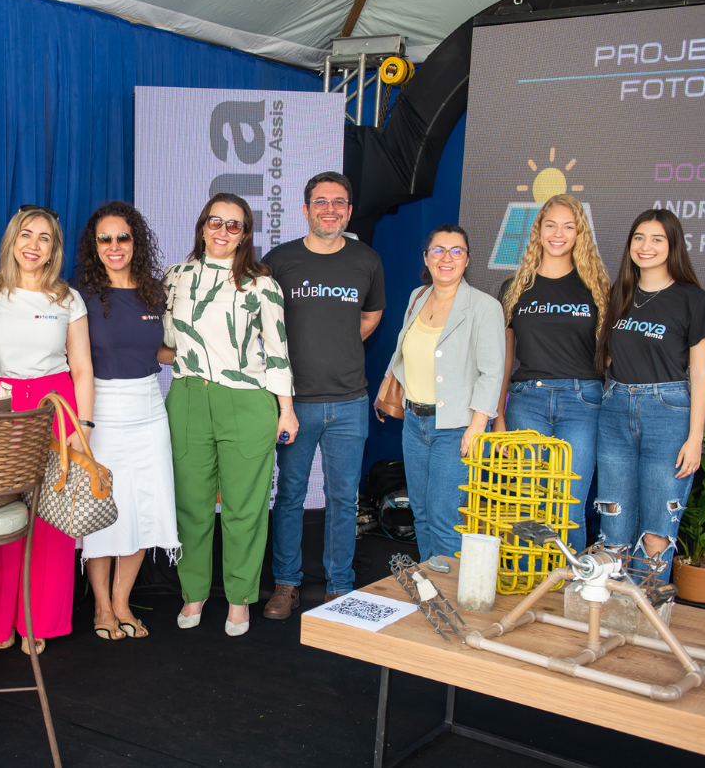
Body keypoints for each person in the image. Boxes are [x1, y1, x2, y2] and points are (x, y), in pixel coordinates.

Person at [163, 193, 296, 637]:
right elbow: (167, 342)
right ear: (202, 226)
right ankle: (194, 592)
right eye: (215, 222)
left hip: (246, 401)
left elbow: (277, 352)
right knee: (191, 505)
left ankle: (239, 599)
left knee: (244, 508)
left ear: (245, 235)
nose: (222, 231)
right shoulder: (175, 277)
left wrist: (286, 410)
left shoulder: (262, 284)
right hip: (187, 398)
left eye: (233, 225)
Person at [0, 205, 94, 655]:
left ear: (53, 248)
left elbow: (82, 367)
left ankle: (37, 621)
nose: (33, 245)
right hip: (1, 408)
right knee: (1, 514)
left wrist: (84, 425)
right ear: (12, 240)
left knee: (49, 518)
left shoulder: (68, 298)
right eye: (26, 234)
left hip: (54, 406)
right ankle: (0, 617)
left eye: (44, 238)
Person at [262, 172, 385, 618]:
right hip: (294, 404)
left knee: (342, 500)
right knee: (289, 497)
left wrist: (339, 344)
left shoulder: (366, 260)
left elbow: (371, 316)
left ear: (349, 211)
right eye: (320, 202)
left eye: (338, 202)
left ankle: (339, 588)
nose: (329, 210)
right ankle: (286, 584)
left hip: (350, 402)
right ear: (305, 209)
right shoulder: (280, 261)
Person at [71, 202, 180, 641]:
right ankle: (101, 606)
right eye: (105, 238)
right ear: (93, 245)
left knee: (144, 507)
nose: (114, 246)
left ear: (136, 242)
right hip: (100, 410)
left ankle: (122, 602)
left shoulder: (154, 291)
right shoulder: (78, 295)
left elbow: (158, 351)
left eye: (123, 237)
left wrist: (207, 353)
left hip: (150, 409)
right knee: (103, 509)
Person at [594, 209, 705, 585]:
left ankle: (644, 613)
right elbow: (609, 355)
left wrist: (695, 438)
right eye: (639, 238)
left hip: (668, 414)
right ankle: (607, 609)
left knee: (656, 534)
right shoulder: (620, 293)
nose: (646, 246)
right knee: (614, 531)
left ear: (673, 245)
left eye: (657, 239)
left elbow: (701, 372)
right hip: (615, 410)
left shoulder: (693, 299)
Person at [493, 195, 610, 553]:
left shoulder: (597, 287)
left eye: (568, 227)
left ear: (580, 233)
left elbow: (610, 355)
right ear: (538, 230)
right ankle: (527, 580)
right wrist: (498, 417)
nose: (558, 234)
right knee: (527, 507)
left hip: (582, 403)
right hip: (527, 402)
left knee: (568, 508)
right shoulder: (514, 287)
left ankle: (566, 583)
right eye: (551, 225)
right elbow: (503, 358)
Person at [381, 225, 504, 564]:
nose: (446, 258)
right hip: (414, 424)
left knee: (444, 519)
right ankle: (430, 586)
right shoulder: (417, 297)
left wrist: (477, 426)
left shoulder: (484, 307)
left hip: (456, 428)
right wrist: (391, 390)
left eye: (456, 251)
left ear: (467, 259)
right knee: (421, 515)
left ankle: (449, 594)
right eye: (438, 250)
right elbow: (405, 351)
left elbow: (492, 372)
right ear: (426, 257)